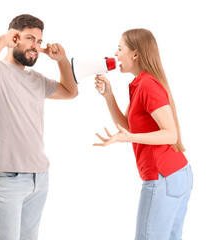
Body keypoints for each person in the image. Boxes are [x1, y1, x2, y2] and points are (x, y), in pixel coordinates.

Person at [0, 14, 78, 240]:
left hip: (39, 177)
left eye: (39, 42)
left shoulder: (36, 79)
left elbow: (70, 92)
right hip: (8, 177)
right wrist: (3, 39)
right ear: (15, 37)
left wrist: (61, 60)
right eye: (30, 39)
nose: (36, 47)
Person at [93, 29, 193, 240]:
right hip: (176, 174)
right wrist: (108, 96)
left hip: (163, 176)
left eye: (120, 49)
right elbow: (128, 126)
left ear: (135, 55)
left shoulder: (147, 85)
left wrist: (131, 138)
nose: (116, 54)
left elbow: (170, 135)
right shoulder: (140, 83)